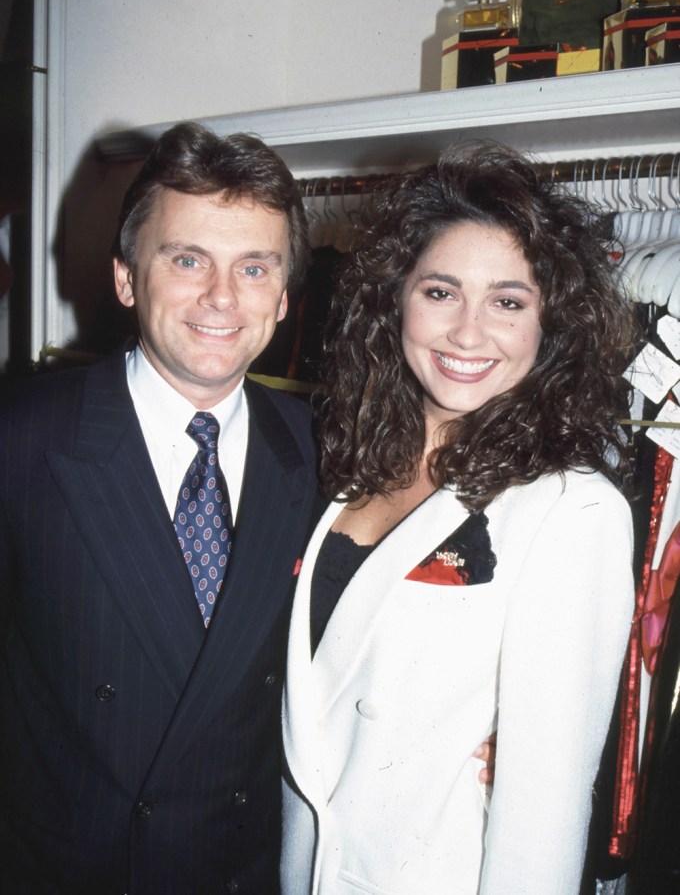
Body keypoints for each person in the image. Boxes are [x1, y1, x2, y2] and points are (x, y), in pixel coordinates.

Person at [280, 141, 637, 894]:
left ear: (550, 325)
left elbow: (544, 818)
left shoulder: (571, 510)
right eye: (440, 292)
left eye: (508, 301)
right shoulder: (346, 463)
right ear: (395, 299)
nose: (468, 333)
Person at [0, 121, 321, 894]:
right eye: (187, 260)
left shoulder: (325, 452)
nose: (221, 297)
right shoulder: (21, 440)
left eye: (253, 268)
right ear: (125, 277)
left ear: (282, 299)